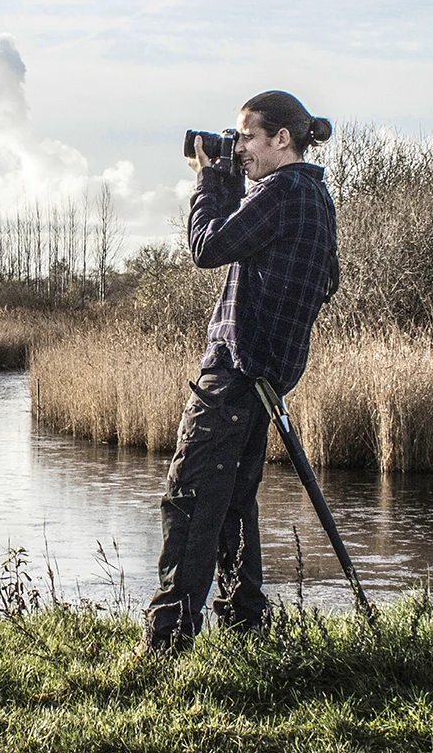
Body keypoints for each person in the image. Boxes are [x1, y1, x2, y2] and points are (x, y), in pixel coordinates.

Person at [142, 90, 338, 651]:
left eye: (248, 136)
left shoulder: (283, 192)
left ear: (282, 139)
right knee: (231, 500)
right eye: (238, 138)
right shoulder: (314, 196)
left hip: (235, 369)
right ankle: (245, 622)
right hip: (264, 374)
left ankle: (167, 638)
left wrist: (210, 180)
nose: (240, 147)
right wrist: (229, 176)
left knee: (190, 495)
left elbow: (207, 246)